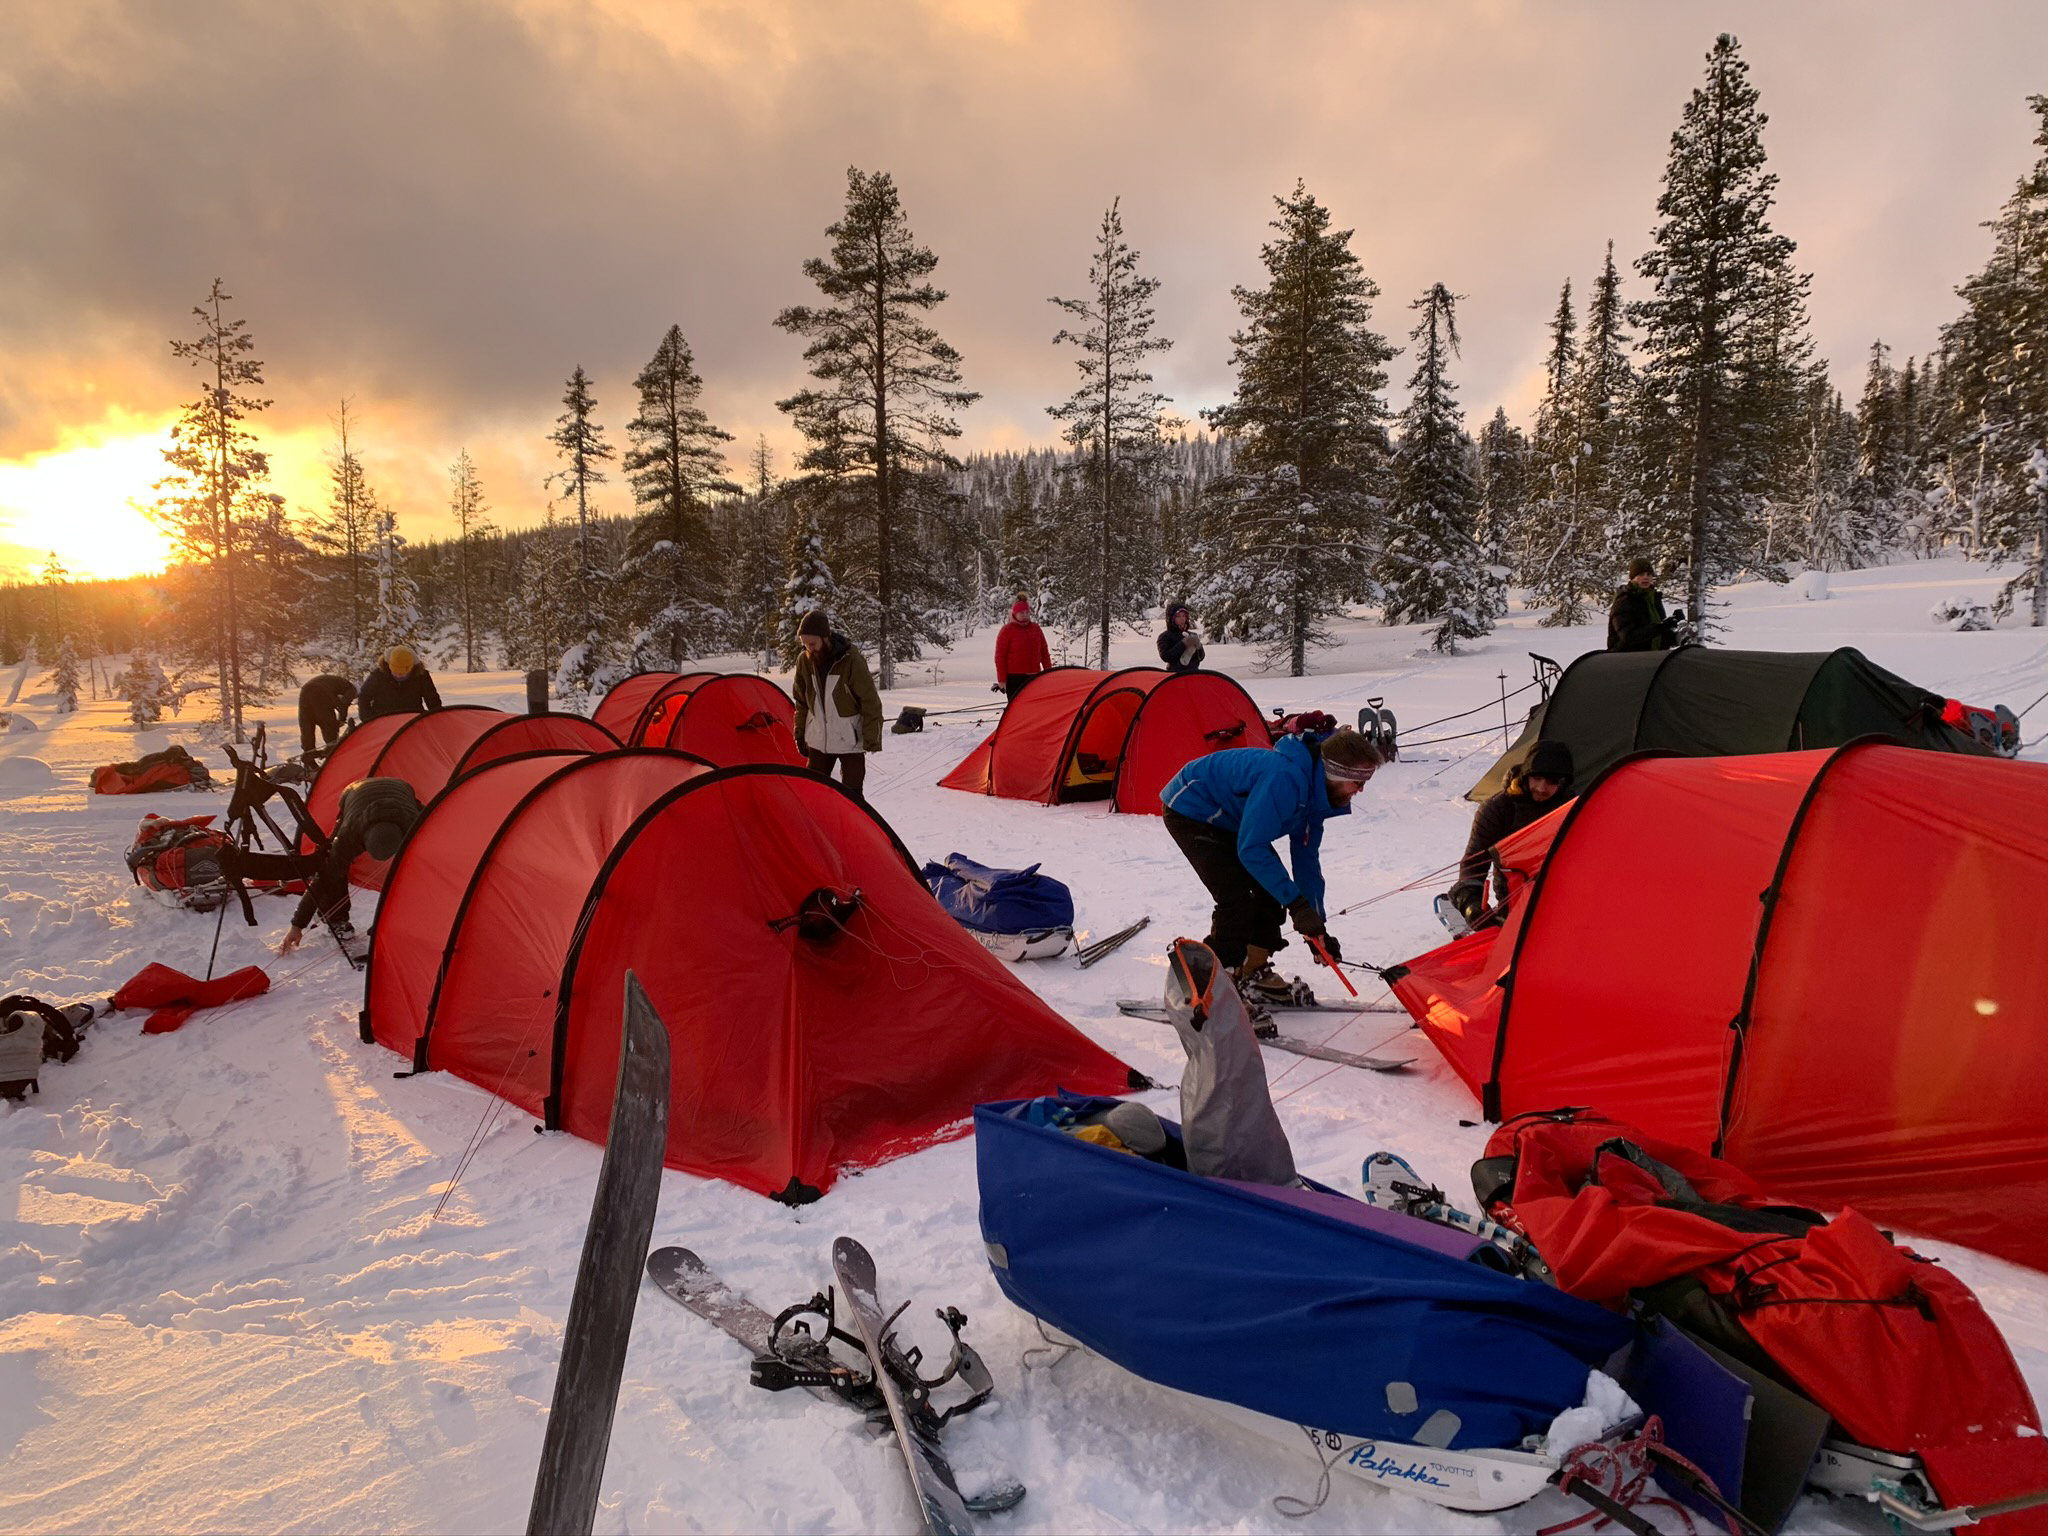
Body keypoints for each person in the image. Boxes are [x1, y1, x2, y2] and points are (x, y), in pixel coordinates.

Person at [1160, 726, 1383, 1024]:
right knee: (1237, 898)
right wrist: (1297, 905)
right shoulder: (1286, 779)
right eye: (1358, 781)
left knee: (1268, 890)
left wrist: (1315, 925)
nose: (1361, 790)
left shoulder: (1317, 796)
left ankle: (1253, 971)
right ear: (1336, 774)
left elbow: (1306, 861)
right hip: (1192, 808)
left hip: (1231, 818)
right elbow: (1251, 848)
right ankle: (1216, 988)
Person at [276, 777, 423, 954]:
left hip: (401, 788)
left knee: (416, 871)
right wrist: (297, 925)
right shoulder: (351, 834)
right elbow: (323, 877)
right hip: (353, 793)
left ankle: (392, 923)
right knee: (332, 866)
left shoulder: (416, 825)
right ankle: (337, 919)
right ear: (362, 843)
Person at [1446, 740, 1575, 927]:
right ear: (1525, 774)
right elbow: (1473, 864)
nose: (1541, 787)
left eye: (1551, 781)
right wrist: (1470, 903)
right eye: (1536, 778)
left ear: (1562, 783)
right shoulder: (1499, 809)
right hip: (1513, 902)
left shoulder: (1572, 806)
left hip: (1563, 898)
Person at [792, 609, 882, 801]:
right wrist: (800, 734)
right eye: (805, 644)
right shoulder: (804, 662)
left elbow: (870, 701)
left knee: (852, 798)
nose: (809, 648)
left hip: (849, 740)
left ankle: (851, 830)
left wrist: (872, 737)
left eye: (813, 643)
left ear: (825, 637)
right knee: (813, 793)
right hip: (818, 740)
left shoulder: (851, 660)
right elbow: (801, 702)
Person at [1607, 559, 1684, 652]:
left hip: (1651, 658)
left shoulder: (1653, 598)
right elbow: (1629, 637)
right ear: (1632, 578)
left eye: (1649, 574)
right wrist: (1662, 626)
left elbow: (1655, 637)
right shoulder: (1624, 601)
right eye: (1641, 574)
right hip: (1626, 660)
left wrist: (1676, 635)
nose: (1645, 577)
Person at [357, 646, 443, 722]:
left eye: (402, 673)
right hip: (383, 721)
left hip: (412, 721)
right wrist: (368, 720)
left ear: (411, 668)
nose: (398, 675)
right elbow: (364, 697)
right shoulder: (378, 676)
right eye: (394, 672)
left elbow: (432, 699)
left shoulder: (421, 676)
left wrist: (437, 717)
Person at [994, 596, 1052, 699]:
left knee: (1035, 707)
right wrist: (1002, 680)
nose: (1025, 615)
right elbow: (1000, 657)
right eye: (1022, 613)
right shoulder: (1007, 630)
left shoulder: (1035, 628)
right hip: (1015, 677)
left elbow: (1044, 651)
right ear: (1015, 614)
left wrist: (1049, 672)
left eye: (1027, 612)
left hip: (1034, 676)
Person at [296, 674, 357, 758]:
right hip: (320, 692)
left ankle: (309, 757)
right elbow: (344, 704)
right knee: (329, 727)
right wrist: (341, 719)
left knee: (307, 726)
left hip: (305, 691)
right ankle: (333, 755)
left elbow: (338, 702)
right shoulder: (352, 689)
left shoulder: (337, 684)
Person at [1157, 603, 1206, 674]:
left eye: (1184, 616)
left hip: (1194, 675)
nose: (1182, 619)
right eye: (1178, 616)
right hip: (1175, 676)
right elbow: (1165, 656)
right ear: (1172, 619)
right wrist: (1183, 644)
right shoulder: (1165, 636)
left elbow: (1200, 658)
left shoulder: (1191, 635)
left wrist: (1199, 647)